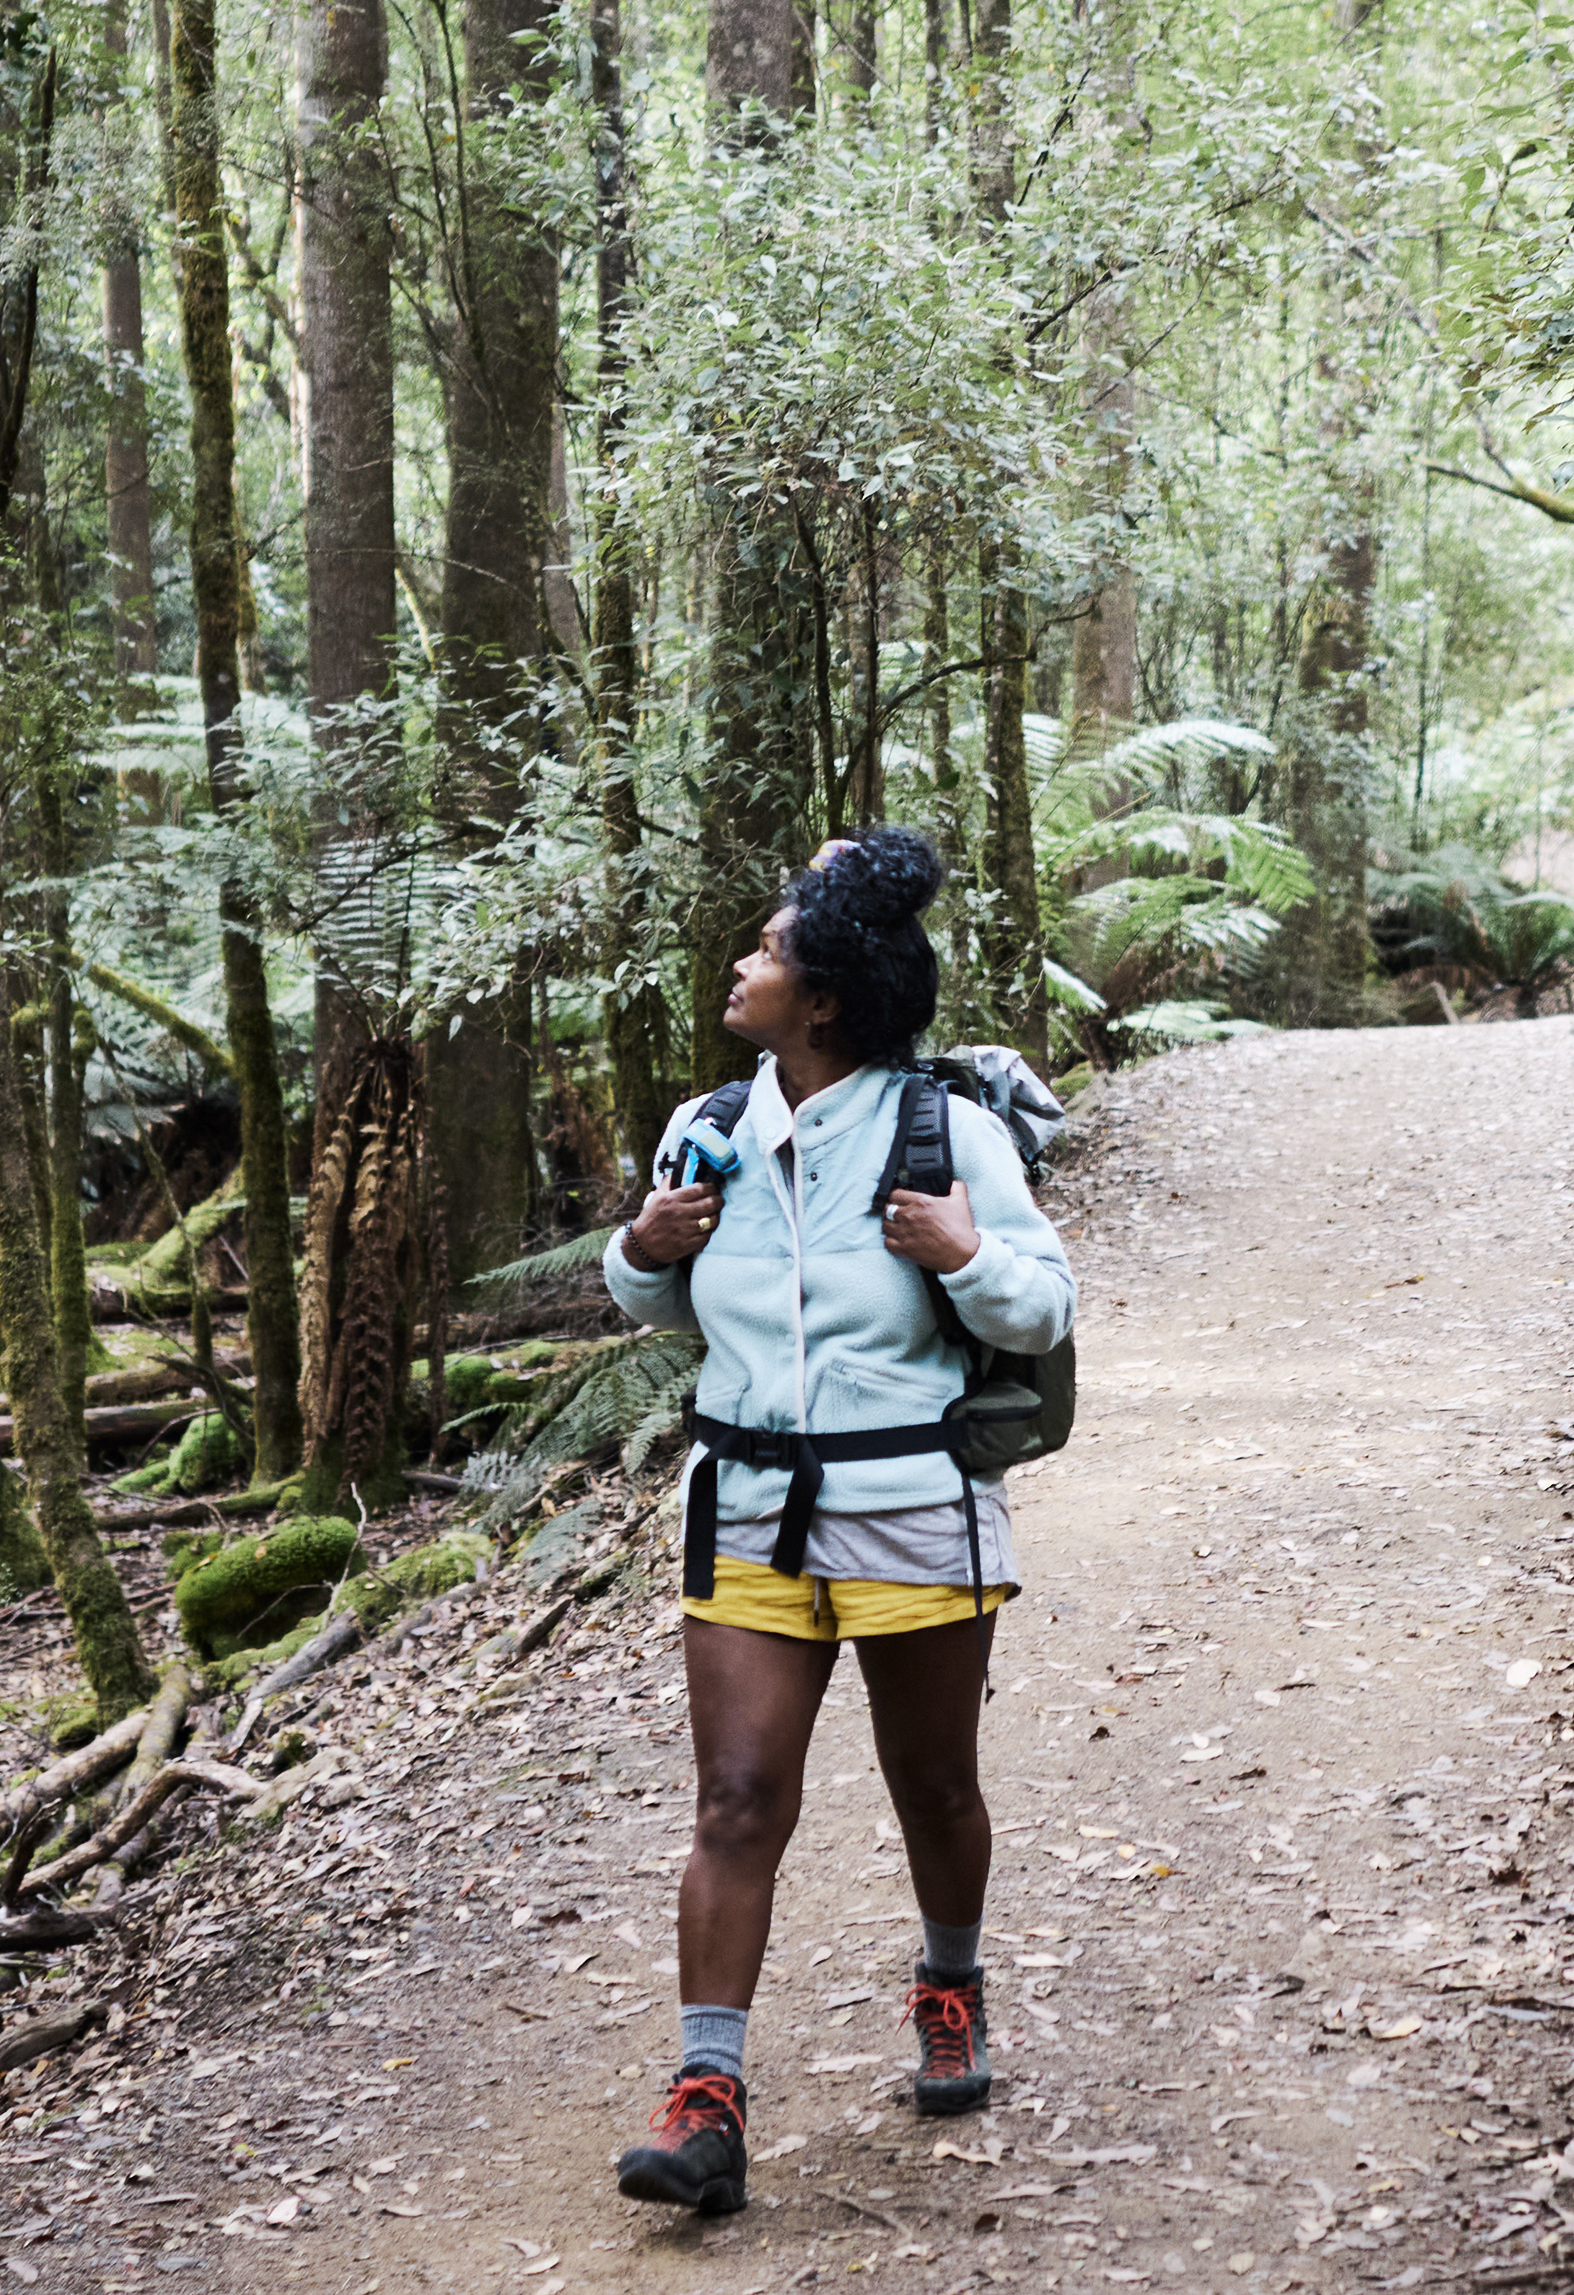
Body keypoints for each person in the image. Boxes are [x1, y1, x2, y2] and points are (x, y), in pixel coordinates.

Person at [599, 828, 1075, 2219]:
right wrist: (645, 1247)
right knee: (738, 1795)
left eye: (766, 948)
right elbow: (661, 1304)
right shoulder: (711, 1125)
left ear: (823, 996)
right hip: (746, 1506)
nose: (742, 964)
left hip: (914, 1506)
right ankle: (704, 2102)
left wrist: (965, 1251)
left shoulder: (946, 1130)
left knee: (931, 1783)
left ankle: (949, 1983)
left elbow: (1043, 1305)